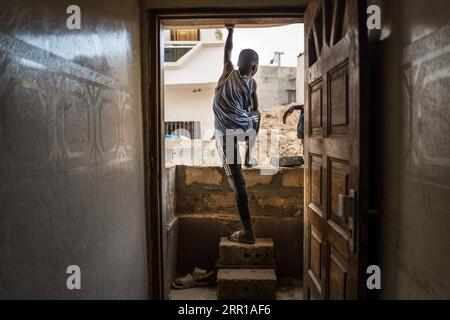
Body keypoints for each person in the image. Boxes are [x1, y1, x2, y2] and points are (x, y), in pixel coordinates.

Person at [212, 25, 260, 244]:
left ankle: (247, 232)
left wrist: (230, 31)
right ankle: (250, 155)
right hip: (243, 128)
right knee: (256, 117)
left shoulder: (228, 72)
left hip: (226, 134)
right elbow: (255, 109)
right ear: (255, 68)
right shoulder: (252, 83)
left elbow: (227, 51)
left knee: (238, 184)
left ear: (238, 63)